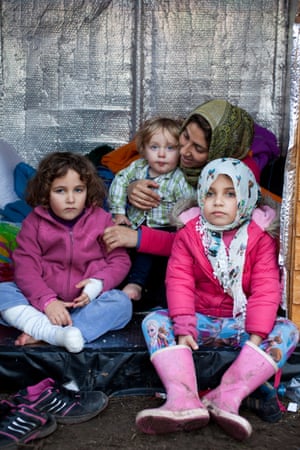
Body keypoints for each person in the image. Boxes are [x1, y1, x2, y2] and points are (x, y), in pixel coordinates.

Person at [133, 158, 299, 440]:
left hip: (241, 325)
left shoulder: (260, 238)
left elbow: (266, 288)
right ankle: (182, 399)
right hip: (200, 321)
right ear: (200, 197)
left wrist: (257, 335)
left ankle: (227, 396)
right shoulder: (189, 234)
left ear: (246, 197)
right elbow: (179, 281)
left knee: (288, 330)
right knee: (154, 321)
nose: (218, 202)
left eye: (229, 193)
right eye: (210, 193)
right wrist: (184, 329)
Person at [0, 152, 132, 353]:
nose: (71, 199)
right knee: (4, 291)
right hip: (41, 304)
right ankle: (46, 329)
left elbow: (120, 261)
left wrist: (97, 284)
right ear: (46, 193)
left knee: (122, 304)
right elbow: (26, 269)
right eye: (60, 191)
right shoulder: (33, 224)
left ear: (88, 190)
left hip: (85, 305)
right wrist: (48, 302)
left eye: (78, 190)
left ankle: (53, 334)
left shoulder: (102, 220)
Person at [103, 98, 264, 255]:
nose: (183, 151)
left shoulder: (236, 177)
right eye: (185, 136)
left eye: (198, 149)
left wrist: (139, 238)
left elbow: (205, 243)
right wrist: (131, 187)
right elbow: (125, 168)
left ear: (217, 152)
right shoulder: (167, 151)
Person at [108, 117, 194, 301]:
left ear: (180, 152)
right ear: (144, 150)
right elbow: (119, 181)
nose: (161, 154)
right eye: (154, 147)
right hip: (136, 222)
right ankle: (121, 284)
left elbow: (189, 206)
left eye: (170, 148)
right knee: (120, 247)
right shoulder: (137, 168)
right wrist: (119, 212)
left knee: (155, 258)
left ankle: (142, 287)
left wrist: (183, 227)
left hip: (165, 227)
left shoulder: (179, 179)